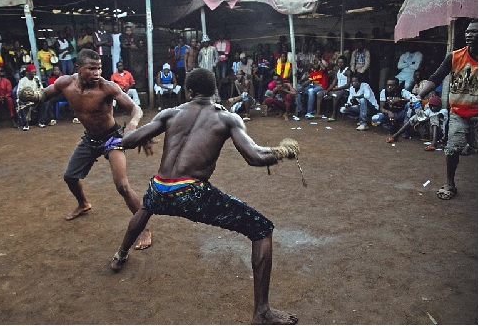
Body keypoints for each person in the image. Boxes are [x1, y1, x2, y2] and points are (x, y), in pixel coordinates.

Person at [109, 68, 300, 325]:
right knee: (262, 229)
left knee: (145, 208)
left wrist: (133, 125)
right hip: (191, 194)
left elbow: (129, 141)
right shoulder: (227, 118)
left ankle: (120, 256)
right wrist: (283, 151)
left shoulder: (171, 113)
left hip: (160, 187)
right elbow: (254, 157)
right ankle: (262, 312)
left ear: (189, 91)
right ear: (215, 91)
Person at [21, 49, 152, 249]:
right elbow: (44, 95)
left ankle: (143, 228)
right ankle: (83, 204)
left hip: (112, 138)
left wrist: (132, 126)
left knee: (122, 186)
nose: (97, 72)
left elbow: (136, 109)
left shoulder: (107, 87)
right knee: (70, 177)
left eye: (99, 68)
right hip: (90, 139)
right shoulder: (65, 83)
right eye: (91, 68)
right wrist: (30, 97)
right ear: (78, 68)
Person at [414, 19, 477, 200]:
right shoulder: (455, 56)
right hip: (458, 112)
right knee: (452, 150)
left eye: (474, 32)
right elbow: (436, 77)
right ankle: (450, 183)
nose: (469, 35)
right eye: (467, 31)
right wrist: (421, 94)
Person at [316, 55, 352, 121]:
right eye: (339, 62)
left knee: (335, 95)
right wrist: (327, 90)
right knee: (320, 94)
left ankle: (334, 115)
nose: (340, 64)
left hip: (344, 90)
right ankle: (318, 113)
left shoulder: (348, 71)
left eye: (342, 62)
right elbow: (333, 83)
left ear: (345, 63)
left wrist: (337, 89)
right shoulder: (338, 71)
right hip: (337, 89)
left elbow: (348, 85)